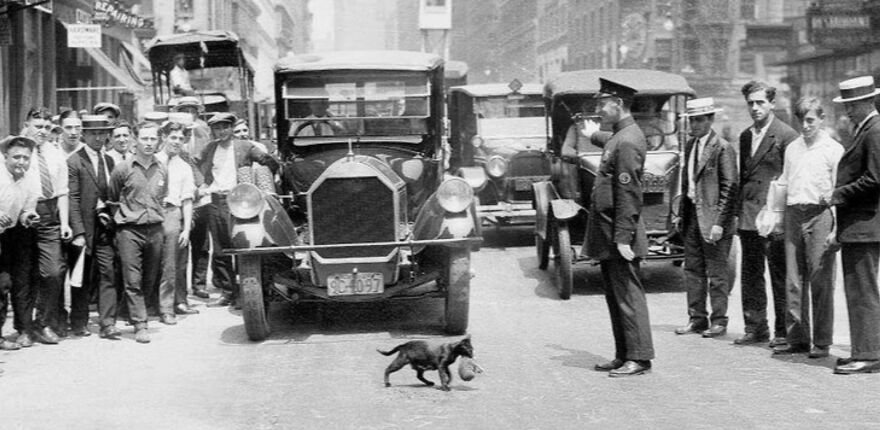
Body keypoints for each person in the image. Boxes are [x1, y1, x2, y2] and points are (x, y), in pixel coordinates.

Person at [579, 78, 654, 377]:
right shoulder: (619, 136)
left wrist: (623, 238)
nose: (598, 109)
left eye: (601, 104)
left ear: (618, 104)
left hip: (620, 235)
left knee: (628, 297)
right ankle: (624, 354)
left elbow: (629, 194)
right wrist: (593, 134)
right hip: (610, 233)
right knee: (616, 296)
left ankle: (639, 357)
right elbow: (608, 142)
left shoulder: (627, 141)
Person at [763, 97, 844, 357]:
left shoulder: (833, 150)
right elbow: (784, 183)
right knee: (793, 280)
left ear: (821, 119)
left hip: (820, 214)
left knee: (821, 279)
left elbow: (838, 192)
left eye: (810, 120)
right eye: (801, 120)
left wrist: (836, 228)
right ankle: (797, 337)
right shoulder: (793, 148)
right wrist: (774, 216)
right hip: (793, 213)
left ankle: (822, 341)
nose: (806, 126)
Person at [733, 81, 799, 347]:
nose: (755, 108)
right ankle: (756, 327)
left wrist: (780, 216)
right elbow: (743, 178)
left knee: (779, 275)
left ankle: (783, 331)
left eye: (761, 102)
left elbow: (789, 179)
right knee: (750, 274)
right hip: (749, 216)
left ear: (772, 103)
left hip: (773, 217)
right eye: (751, 103)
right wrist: (739, 214)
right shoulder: (745, 136)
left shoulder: (786, 136)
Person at [197, 112, 278, 307]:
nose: (221, 131)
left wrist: (266, 179)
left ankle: (248, 291)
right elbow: (195, 165)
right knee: (221, 249)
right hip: (217, 201)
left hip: (242, 200)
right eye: (217, 128)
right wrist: (202, 184)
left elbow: (268, 161)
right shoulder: (210, 148)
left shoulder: (244, 146)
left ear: (232, 128)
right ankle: (228, 292)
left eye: (225, 127)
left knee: (245, 244)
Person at [673, 98, 738, 338]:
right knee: (693, 270)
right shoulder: (690, 146)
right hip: (692, 218)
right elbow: (687, 182)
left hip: (713, 222)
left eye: (699, 119)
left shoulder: (722, 147)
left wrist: (720, 223)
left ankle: (719, 321)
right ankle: (696, 318)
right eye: (691, 119)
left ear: (711, 120)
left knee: (717, 274)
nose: (694, 124)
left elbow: (730, 188)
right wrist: (681, 215)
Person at [828, 76, 880, 374]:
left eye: (851, 105)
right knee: (858, 290)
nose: (847, 111)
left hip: (865, 225)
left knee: (863, 291)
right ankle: (864, 349)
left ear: (866, 102)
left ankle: (870, 355)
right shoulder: (866, 129)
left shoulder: (874, 131)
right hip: (859, 226)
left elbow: (874, 179)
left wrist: (838, 194)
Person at [13, 107, 73, 345]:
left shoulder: (56, 153)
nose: (43, 131)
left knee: (53, 272)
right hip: (21, 216)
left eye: (47, 127)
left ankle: (44, 322)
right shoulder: (15, 151)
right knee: (23, 275)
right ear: (27, 124)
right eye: (38, 126)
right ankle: (24, 328)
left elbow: (63, 191)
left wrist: (65, 223)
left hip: (49, 215)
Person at [107, 122, 168, 344]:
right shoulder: (122, 168)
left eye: (153, 139)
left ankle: (135, 311)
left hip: (155, 229)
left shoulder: (162, 167)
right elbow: (113, 198)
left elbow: (162, 196)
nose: (149, 143)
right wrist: (121, 223)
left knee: (150, 278)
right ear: (136, 140)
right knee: (132, 278)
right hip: (129, 230)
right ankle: (140, 323)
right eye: (144, 139)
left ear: (158, 141)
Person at [67, 115, 121, 339]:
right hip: (84, 227)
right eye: (93, 133)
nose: (98, 137)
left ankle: (108, 323)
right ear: (84, 135)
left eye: (102, 133)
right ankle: (79, 322)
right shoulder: (74, 161)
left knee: (108, 272)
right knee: (82, 274)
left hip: (105, 226)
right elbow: (72, 198)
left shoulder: (109, 160)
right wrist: (78, 232)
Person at [154, 121, 198, 323]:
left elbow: (187, 200)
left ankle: (167, 308)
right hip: (150, 214)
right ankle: (147, 306)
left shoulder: (184, 167)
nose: (177, 142)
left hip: (172, 213)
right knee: (150, 262)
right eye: (173, 137)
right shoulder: (151, 160)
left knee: (171, 265)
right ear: (163, 137)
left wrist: (186, 229)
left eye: (181, 138)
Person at [0, 136, 40, 350]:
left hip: (16, 233)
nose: (21, 162)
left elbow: (28, 208)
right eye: (16, 157)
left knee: (22, 280)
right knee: (1, 284)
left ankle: (24, 329)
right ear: (5, 156)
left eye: (26, 158)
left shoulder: (30, 177)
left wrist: (28, 216)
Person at [233, 118, 275, 193]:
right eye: (237, 132)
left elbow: (267, 166)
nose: (242, 134)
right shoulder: (232, 149)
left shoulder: (259, 147)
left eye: (245, 130)